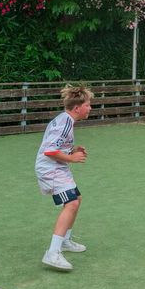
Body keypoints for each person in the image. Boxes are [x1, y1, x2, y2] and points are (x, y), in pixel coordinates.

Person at [36, 84, 93, 272]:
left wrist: (72, 150)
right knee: (72, 204)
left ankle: (65, 241)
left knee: (77, 199)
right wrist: (72, 158)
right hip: (50, 169)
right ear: (77, 108)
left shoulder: (65, 120)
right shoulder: (65, 123)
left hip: (58, 167)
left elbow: (57, 146)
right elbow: (49, 151)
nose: (90, 108)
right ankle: (52, 253)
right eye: (88, 105)